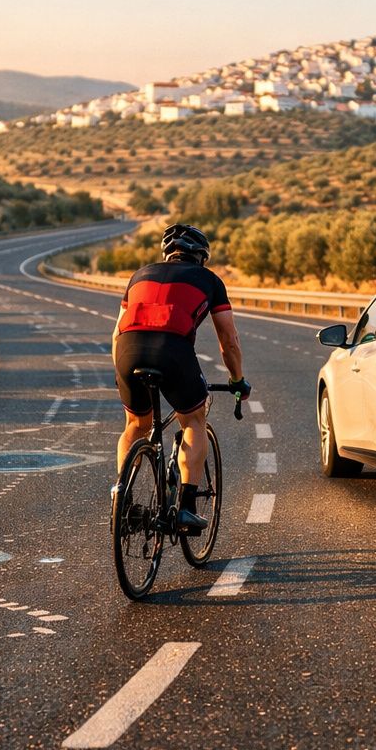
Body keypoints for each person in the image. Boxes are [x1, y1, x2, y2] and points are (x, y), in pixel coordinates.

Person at [112, 223, 250, 532]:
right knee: (194, 421)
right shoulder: (210, 281)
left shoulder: (139, 275)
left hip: (126, 351)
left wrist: (120, 374)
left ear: (166, 253)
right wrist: (237, 379)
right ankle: (186, 508)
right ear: (202, 256)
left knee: (136, 425)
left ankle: (123, 502)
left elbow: (117, 331)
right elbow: (228, 340)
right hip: (172, 350)